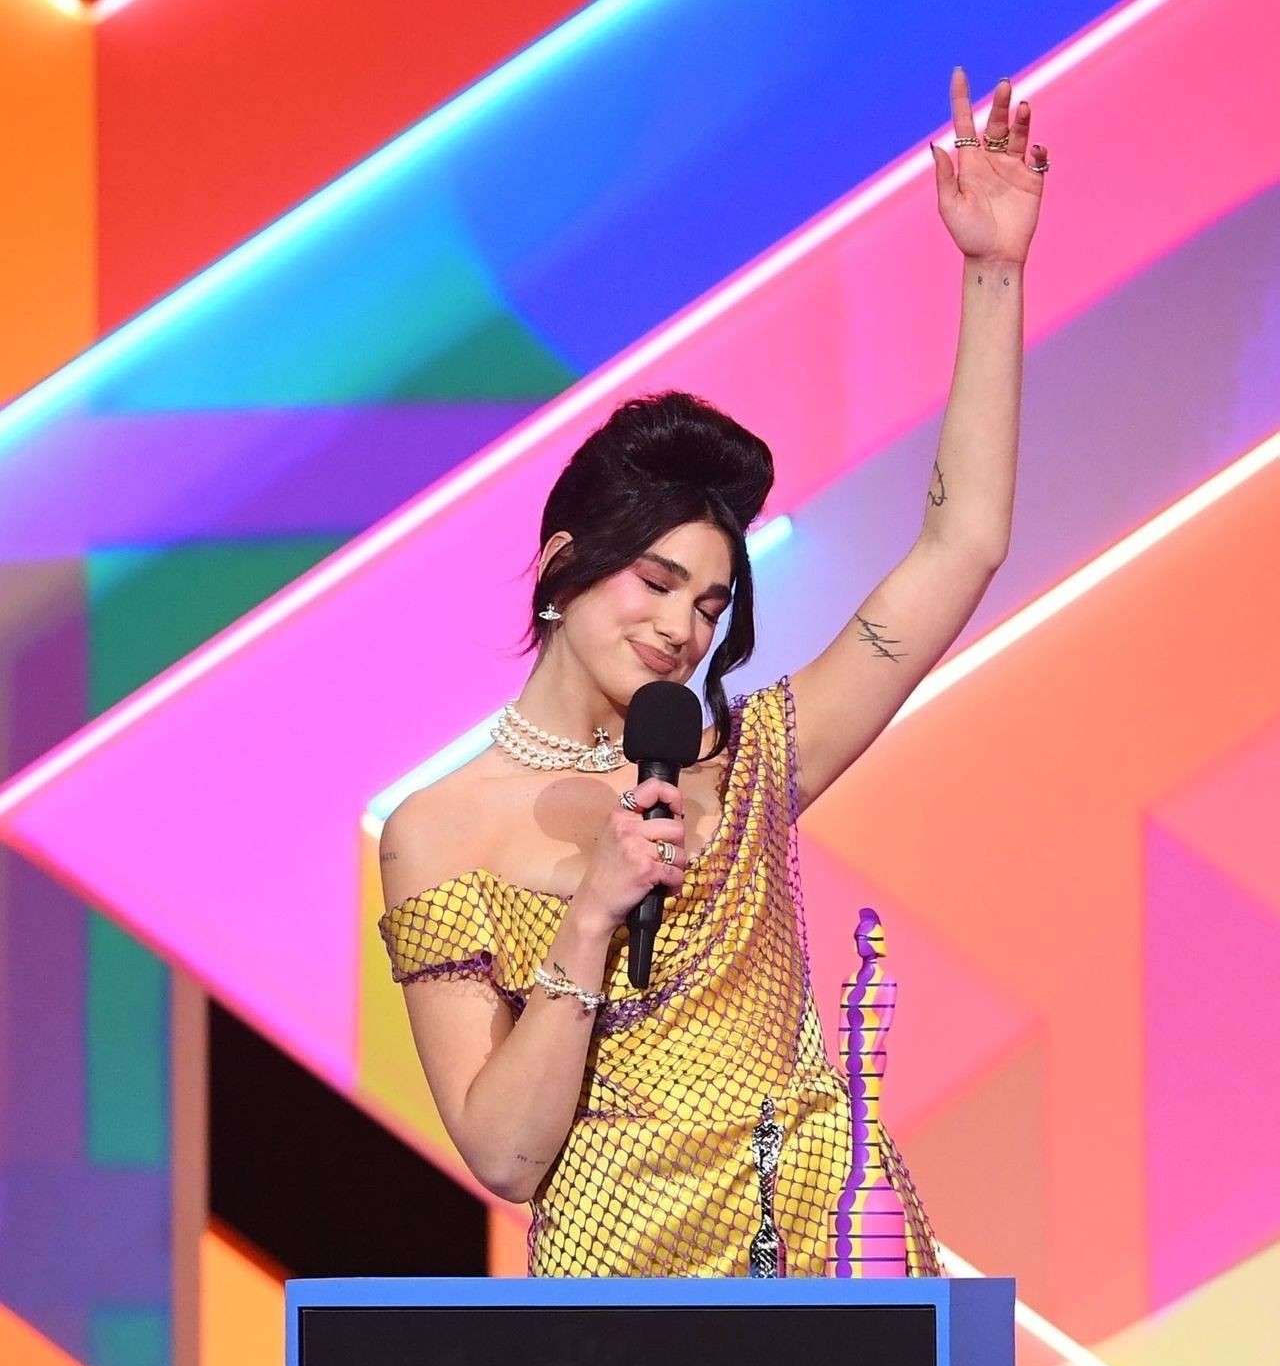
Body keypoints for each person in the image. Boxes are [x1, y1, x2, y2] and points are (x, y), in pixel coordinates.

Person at [377, 69, 1048, 1278]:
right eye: (654, 581)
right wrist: (592, 913)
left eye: (709, 603)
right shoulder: (437, 831)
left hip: (826, 1255)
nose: (681, 627)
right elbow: (505, 1157)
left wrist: (991, 272)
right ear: (563, 564)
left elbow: (961, 547)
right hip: (623, 1295)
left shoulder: (745, 767)